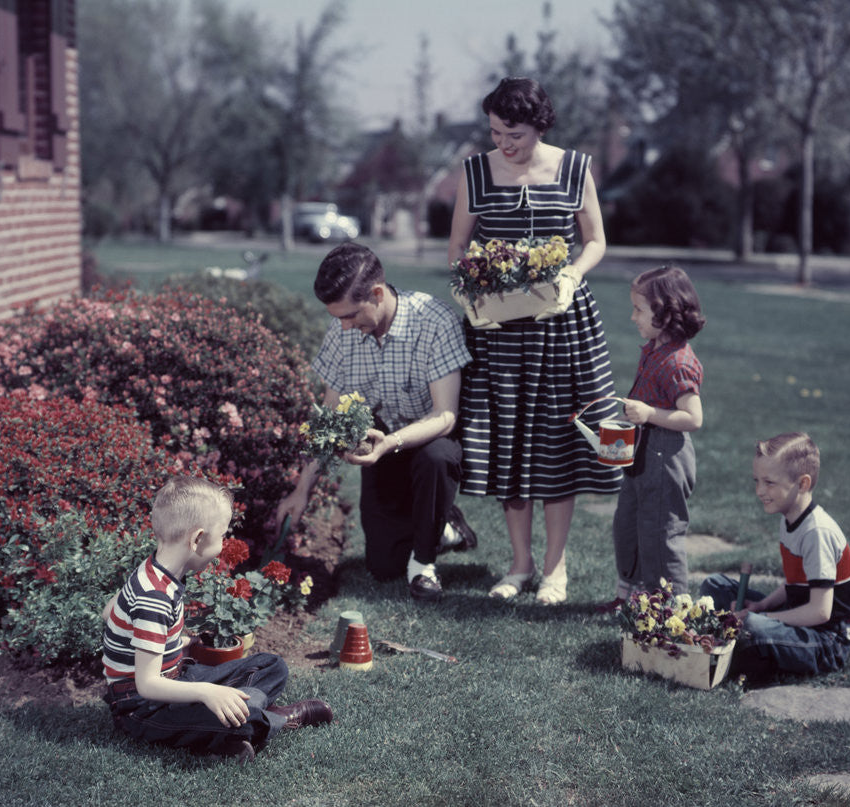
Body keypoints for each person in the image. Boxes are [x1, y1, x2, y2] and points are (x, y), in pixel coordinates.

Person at [447, 76, 621, 604]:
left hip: (562, 326)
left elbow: (595, 241)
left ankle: (555, 569)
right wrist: (470, 294)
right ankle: (519, 565)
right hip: (499, 332)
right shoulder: (476, 171)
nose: (504, 143)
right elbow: (458, 245)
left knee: (558, 444)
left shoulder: (575, 168)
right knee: (509, 444)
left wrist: (571, 275)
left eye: (515, 134)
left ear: (540, 126)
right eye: (497, 132)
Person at [276, 243, 475, 602]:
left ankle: (425, 564)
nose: (344, 326)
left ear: (377, 294)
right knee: (383, 567)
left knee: (437, 458)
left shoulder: (435, 321)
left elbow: (445, 416)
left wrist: (389, 441)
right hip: (380, 446)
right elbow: (329, 419)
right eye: (337, 317)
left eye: (351, 315)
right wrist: (301, 489)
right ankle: (443, 525)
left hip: (430, 438)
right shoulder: (342, 332)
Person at [102, 475, 333, 763]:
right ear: (198, 539)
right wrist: (208, 692)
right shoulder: (154, 596)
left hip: (176, 678)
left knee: (272, 666)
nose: (224, 544)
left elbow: (110, 610)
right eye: (222, 535)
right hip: (142, 709)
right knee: (242, 710)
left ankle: (235, 727)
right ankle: (274, 719)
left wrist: (173, 643)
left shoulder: (156, 569)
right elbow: (147, 685)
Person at [700, 432, 850, 683]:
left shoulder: (817, 532)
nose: (759, 491)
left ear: (803, 484)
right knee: (714, 586)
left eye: (769, 483)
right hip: (798, 615)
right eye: (757, 481)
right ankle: (731, 639)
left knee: (753, 626)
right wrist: (761, 606)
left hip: (826, 641)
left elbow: (820, 612)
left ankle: (739, 650)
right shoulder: (790, 518)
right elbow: (795, 583)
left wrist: (761, 618)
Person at [611, 265, 705, 599]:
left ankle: (669, 607)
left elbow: (693, 418)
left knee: (661, 534)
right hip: (644, 452)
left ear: (665, 313)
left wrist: (650, 413)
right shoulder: (654, 349)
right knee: (629, 525)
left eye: (639, 309)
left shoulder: (677, 362)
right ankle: (630, 594)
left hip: (666, 458)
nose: (632, 316)